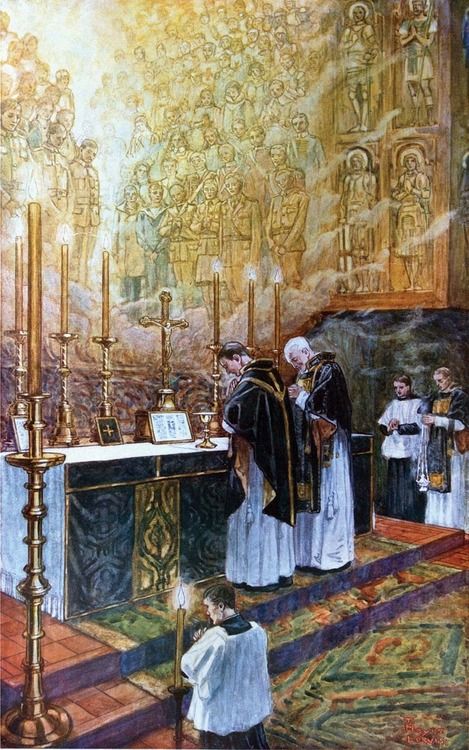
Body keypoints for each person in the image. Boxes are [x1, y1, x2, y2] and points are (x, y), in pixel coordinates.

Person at [218, 342, 296, 592]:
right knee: (272, 516)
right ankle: (281, 571)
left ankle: (257, 576)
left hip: (256, 463)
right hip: (275, 460)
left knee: (255, 513)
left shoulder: (251, 382)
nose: (227, 371)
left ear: (237, 358)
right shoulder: (273, 378)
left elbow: (233, 415)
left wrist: (229, 399)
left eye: (226, 365)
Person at [284, 337, 354, 574]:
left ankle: (330, 557)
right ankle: (307, 556)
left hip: (329, 445)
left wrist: (300, 397)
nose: (295, 365)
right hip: (308, 446)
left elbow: (329, 407)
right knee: (310, 496)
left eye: (296, 360)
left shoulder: (328, 369)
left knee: (328, 496)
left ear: (306, 351)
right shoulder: (305, 373)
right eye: (293, 363)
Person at [181, 583, 271, 750]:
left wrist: (200, 643)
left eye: (208, 607)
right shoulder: (256, 631)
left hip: (222, 717)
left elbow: (188, 665)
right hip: (249, 712)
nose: (207, 612)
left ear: (221, 606)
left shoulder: (217, 637)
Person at [417, 367, 469, 530]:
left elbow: (461, 425)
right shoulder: (434, 396)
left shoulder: (460, 396)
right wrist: (425, 421)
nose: (438, 384)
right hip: (435, 449)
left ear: (449, 378)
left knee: (453, 491)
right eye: (436, 381)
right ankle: (435, 527)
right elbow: (422, 416)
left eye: (440, 381)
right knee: (434, 491)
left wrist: (437, 420)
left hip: (451, 451)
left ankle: (453, 528)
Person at [378, 374, 424, 523]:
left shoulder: (418, 403)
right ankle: (394, 515)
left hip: (410, 451)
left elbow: (417, 427)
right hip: (394, 451)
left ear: (409, 387)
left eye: (401, 387)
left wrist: (398, 427)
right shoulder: (393, 404)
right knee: (394, 486)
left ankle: (410, 518)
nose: (398, 390)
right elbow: (382, 425)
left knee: (408, 487)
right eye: (396, 388)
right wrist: (388, 427)